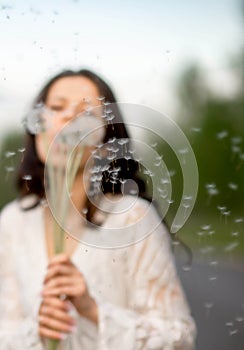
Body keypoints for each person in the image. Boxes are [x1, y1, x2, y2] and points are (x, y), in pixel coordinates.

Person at [0, 69, 196, 349]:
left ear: (106, 140)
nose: (68, 118)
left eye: (85, 112)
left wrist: (92, 309)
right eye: (56, 108)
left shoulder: (133, 217)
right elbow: (5, 331)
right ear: (38, 128)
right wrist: (38, 329)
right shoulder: (13, 221)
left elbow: (180, 337)